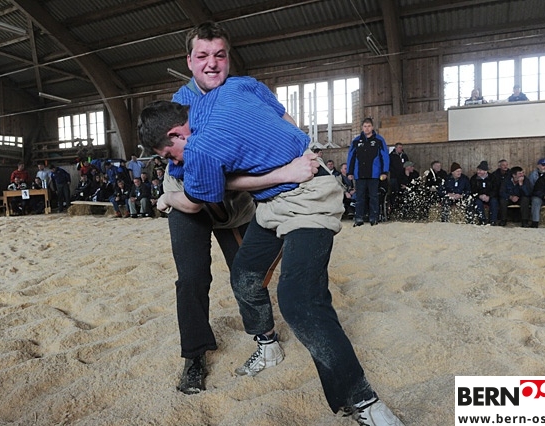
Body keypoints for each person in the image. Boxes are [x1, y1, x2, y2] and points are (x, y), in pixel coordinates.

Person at [138, 82, 404, 426]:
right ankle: (268, 346)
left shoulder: (210, 134)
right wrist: (296, 149)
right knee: (244, 275)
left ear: (177, 133)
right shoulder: (220, 99)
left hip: (307, 199)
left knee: (298, 300)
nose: (173, 161)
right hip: (270, 205)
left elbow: (194, 199)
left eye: (169, 154)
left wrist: (164, 198)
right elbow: (270, 108)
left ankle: (365, 402)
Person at [162, 21, 315, 397]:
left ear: (228, 58)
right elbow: (204, 176)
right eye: (202, 56)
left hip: (236, 204)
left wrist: (301, 149)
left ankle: (267, 341)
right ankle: (194, 357)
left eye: (219, 55)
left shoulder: (244, 90)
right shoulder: (180, 106)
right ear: (189, 62)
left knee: (247, 273)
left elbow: (283, 121)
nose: (211, 63)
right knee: (192, 278)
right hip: (189, 198)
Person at [347, 117, 390, 227]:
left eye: (369, 126)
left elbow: (385, 156)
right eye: (365, 126)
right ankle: (358, 218)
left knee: (373, 196)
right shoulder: (356, 141)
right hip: (359, 173)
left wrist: (384, 171)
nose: (367, 128)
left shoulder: (379, 140)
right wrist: (349, 172)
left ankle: (373, 218)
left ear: (372, 127)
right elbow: (351, 156)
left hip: (374, 174)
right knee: (359, 197)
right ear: (362, 127)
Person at [469, 161, 499, 225]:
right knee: (477, 203)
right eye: (478, 170)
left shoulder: (492, 178)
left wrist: (489, 196)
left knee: (494, 202)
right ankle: (482, 220)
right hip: (479, 197)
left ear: (485, 171)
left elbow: (495, 189)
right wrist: (479, 196)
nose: (478, 172)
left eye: (480, 170)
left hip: (489, 197)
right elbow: (472, 190)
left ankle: (493, 221)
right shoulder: (474, 178)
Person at [388, 143, 408, 208]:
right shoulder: (391, 156)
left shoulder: (404, 155)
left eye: (401, 147)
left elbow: (407, 164)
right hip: (394, 176)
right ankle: (393, 205)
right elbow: (389, 165)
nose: (401, 149)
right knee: (394, 191)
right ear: (396, 148)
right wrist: (394, 171)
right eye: (399, 147)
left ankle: (401, 206)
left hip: (402, 176)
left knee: (401, 191)